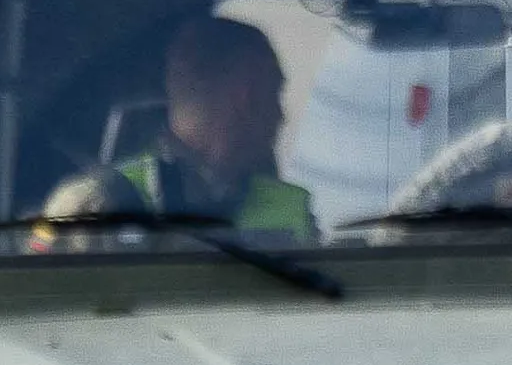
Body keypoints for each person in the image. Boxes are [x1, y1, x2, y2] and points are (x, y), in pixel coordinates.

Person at [33, 14, 318, 246]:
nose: (281, 116)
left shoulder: (295, 206)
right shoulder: (88, 204)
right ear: (246, 96)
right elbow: (39, 291)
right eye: (273, 95)